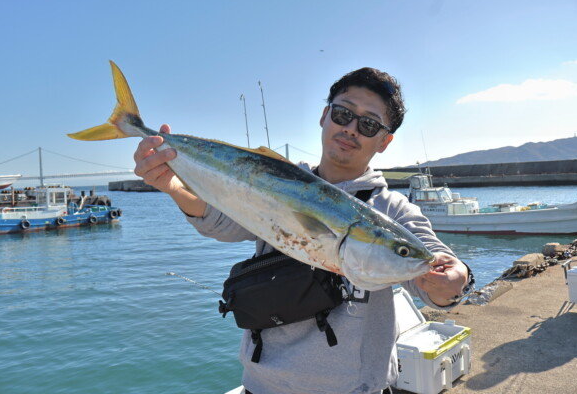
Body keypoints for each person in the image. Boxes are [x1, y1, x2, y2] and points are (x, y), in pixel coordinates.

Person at [133, 68, 472, 394]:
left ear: (384, 141)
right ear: (325, 116)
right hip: (262, 386)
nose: (351, 129)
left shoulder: (392, 211)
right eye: (343, 114)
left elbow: (432, 266)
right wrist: (172, 186)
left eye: (368, 124)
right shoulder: (276, 180)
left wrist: (453, 280)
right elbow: (221, 223)